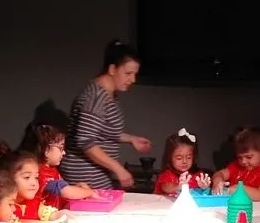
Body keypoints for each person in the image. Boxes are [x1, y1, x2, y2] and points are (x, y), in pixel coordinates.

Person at [59, 39, 152, 190]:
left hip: (98, 173)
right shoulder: (96, 97)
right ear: (112, 69)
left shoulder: (109, 94)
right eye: (128, 73)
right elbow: (85, 141)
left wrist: (131, 139)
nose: (133, 79)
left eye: (135, 74)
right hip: (84, 175)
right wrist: (119, 169)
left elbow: (101, 129)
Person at [0, 144, 79, 223]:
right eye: (27, 177)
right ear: (8, 179)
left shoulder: (34, 203)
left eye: (36, 177)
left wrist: (64, 215)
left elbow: (52, 215)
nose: (34, 183)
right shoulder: (3, 206)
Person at [18, 122, 100, 209]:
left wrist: (78, 188)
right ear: (45, 149)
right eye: (61, 148)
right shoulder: (39, 172)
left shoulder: (51, 169)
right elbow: (65, 191)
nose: (64, 152)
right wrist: (89, 192)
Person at [210, 126, 260, 201]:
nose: (243, 161)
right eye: (239, 157)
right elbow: (219, 173)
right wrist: (218, 181)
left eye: (249, 157)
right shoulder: (236, 166)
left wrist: (237, 189)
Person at [154, 128, 212, 195]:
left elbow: (205, 194)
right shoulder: (167, 174)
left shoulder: (198, 175)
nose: (184, 161)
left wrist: (205, 188)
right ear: (170, 158)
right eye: (179, 158)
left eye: (189, 157)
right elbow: (167, 187)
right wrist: (179, 186)